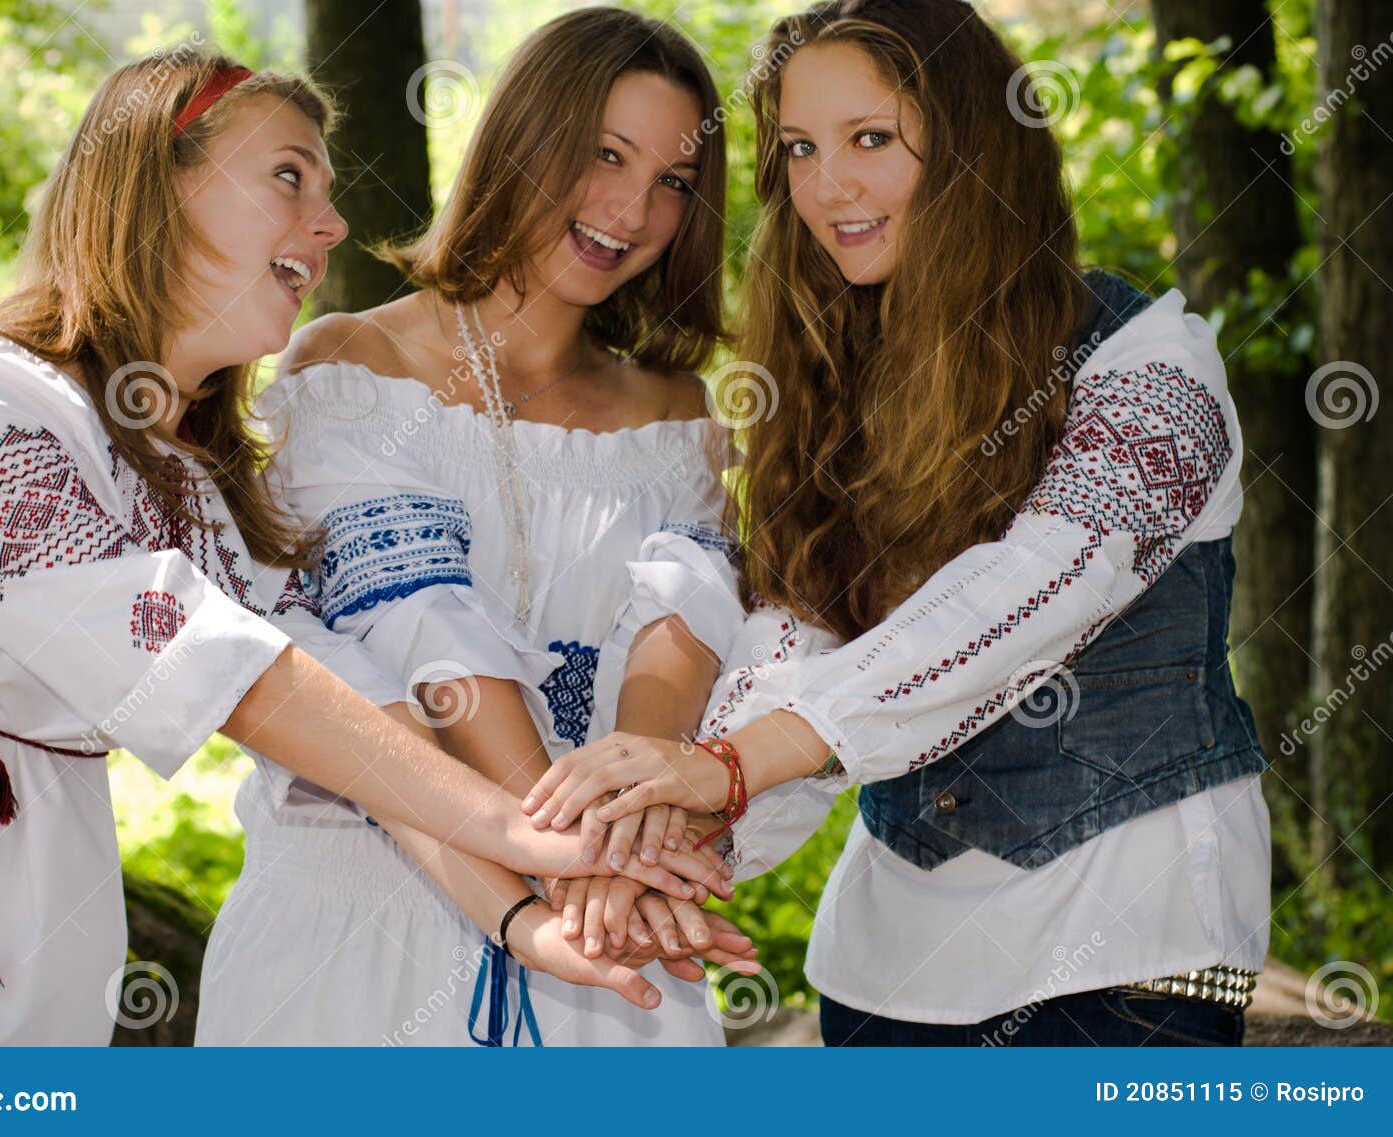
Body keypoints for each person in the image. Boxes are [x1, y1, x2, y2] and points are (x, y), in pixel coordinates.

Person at [0, 50, 737, 1048]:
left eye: (328, 193)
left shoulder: (192, 489)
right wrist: (539, 837)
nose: (329, 226)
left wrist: (524, 916)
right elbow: (223, 666)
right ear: (152, 182)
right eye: (288, 174)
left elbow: (356, 728)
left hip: (28, 1013)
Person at [523, 0, 1270, 1047]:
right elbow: (797, 634)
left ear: (974, 143)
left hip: (1123, 952)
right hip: (887, 974)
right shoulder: (841, 392)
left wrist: (732, 766)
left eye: (871, 138)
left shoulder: (1151, 367)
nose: (830, 187)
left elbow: (1036, 590)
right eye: (799, 149)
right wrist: (684, 837)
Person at [197, 8, 746, 1047]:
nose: (630, 208)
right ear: (524, 137)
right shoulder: (351, 365)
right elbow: (421, 623)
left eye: (673, 181)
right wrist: (582, 852)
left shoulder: (681, 416)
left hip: (609, 945)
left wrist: (626, 824)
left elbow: (682, 641)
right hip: (356, 935)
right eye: (602, 154)